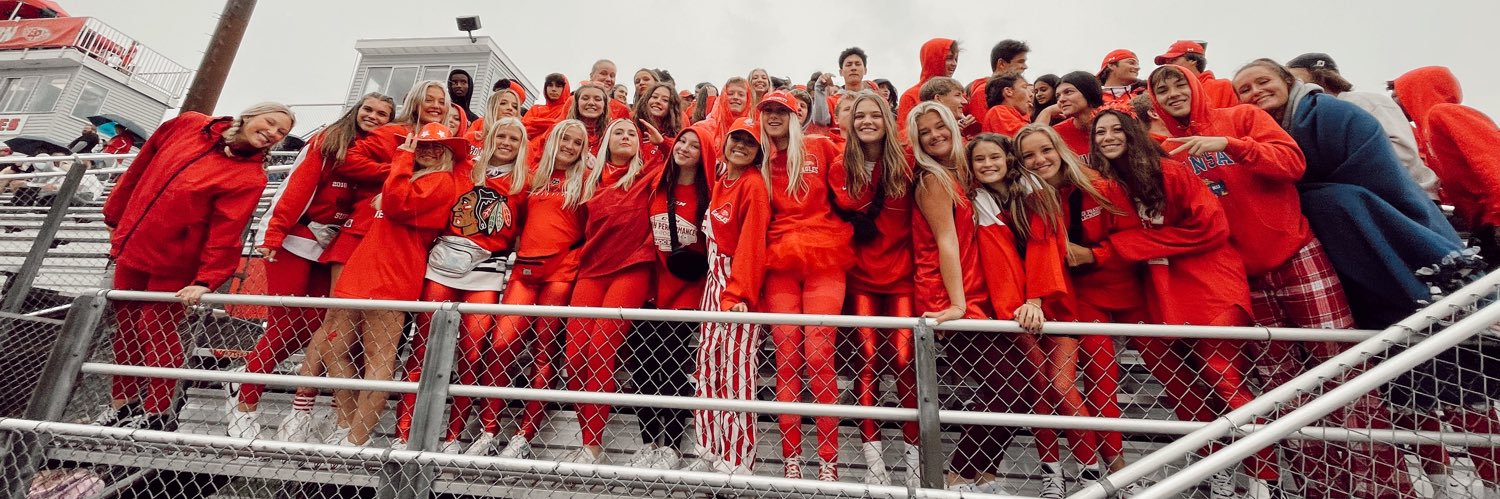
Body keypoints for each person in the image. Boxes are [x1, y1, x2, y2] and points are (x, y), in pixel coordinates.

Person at [1148, 63, 1348, 497]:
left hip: (1296, 255)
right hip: (1241, 277)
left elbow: (1294, 163)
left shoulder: (1241, 118)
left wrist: (1231, 145)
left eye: (1178, 82)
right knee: (1281, 389)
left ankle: (1378, 486)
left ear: (1195, 85)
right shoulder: (1164, 147)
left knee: (1343, 373)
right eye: (1161, 90)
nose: (1172, 93)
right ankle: (1316, 486)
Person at [1084, 108, 1272, 497]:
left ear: (1133, 133)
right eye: (1099, 132)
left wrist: (1128, 246)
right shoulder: (1106, 184)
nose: (1107, 137)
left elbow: (1212, 227)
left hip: (1207, 282)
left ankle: (1263, 480)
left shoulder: (1169, 171)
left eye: (1116, 129)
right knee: (1179, 385)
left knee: (1224, 376)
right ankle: (1214, 464)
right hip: (1158, 288)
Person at [99, 102, 295, 431]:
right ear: (249, 115)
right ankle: (122, 403)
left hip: (176, 260)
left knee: (156, 327)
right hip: (134, 246)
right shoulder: (189, 125)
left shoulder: (249, 176)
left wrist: (206, 280)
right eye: (271, 122)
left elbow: (227, 231)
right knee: (127, 327)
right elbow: (142, 164)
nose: (273, 133)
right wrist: (114, 213)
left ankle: (158, 411)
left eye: (282, 132)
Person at [1233, 59, 1472, 326]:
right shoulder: (1269, 130)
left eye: (1263, 82)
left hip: (1382, 209)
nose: (1255, 91)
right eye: (1244, 89)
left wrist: (1300, 193)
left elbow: (1377, 168)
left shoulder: (1329, 112)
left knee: (1332, 203)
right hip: (1344, 231)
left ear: (1288, 82)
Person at [227, 93, 394, 439]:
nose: (373, 117)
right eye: (368, 109)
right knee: (284, 325)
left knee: (316, 328)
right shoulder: (330, 139)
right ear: (356, 110)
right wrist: (274, 233)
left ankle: (251, 376)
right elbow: (298, 187)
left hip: (329, 245)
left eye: (382, 114)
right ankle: (244, 401)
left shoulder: (374, 150)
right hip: (294, 238)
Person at [390, 116, 530, 452]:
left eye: (514, 138)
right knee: (423, 348)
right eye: (501, 136)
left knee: (471, 353)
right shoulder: (464, 167)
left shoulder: (524, 182)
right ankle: (403, 432)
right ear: (490, 137)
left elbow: (521, 234)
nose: (506, 143)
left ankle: (453, 438)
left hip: (487, 269)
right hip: (443, 265)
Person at [750, 90, 850, 481]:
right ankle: (792, 456)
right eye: (767, 110)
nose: (773, 116)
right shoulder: (758, 157)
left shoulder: (821, 146)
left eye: (781, 110)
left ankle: (829, 459)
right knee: (786, 359)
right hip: (779, 261)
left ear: (795, 114)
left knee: (819, 356)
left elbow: (854, 185)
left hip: (826, 254)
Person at [476, 120, 590, 458]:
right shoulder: (532, 175)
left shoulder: (585, 181)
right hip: (524, 270)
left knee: (544, 352)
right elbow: (517, 220)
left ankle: (524, 436)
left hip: (560, 273)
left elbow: (592, 229)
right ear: (554, 139)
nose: (570, 145)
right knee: (501, 344)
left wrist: (571, 259)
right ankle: (488, 430)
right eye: (565, 138)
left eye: (577, 141)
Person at [1014, 125, 1115, 495]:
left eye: (1045, 151)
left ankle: (1089, 470)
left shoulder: (1090, 186)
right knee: (1040, 388)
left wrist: (1038, 298)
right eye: (1028, 155)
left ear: (1059, 149)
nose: (1039, 160)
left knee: (1062, 384)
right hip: (1025, 305)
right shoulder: (1024, 197)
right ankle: (1051, 473)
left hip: (1064, 302)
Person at [904, 101, 998, 491]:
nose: (934, 135)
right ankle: (959, 475)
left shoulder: (964, 171)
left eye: (938, 126)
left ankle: (982, 478)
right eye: (924, 132)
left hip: (974, 290)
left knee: (1010, 387)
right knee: (1012, 385)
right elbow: (946, 241)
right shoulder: (932, 179)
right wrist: (957, 304)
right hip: (949, 296)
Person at [561, 118, 665, 464]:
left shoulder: (649, 171)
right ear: (606, 140)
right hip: (591, 269)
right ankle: (585, 434)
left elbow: (684, 158)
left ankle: (592, 444)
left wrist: (661, 141)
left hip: (631, 268)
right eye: (618, 132)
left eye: (631, 134)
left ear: (640, 143)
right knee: (575, 359)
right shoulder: (589, 177)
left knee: (600, 352)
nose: (624, 137)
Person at [965, 132, 1061, 496]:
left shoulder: (1035, 191)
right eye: (979, 160)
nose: (988, 165)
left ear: (1008, 159)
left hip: (1045, 301)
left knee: (1037, 388)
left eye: (994, 157)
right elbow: (998, 260)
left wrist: (1034, 300)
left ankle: (974, 477)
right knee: (1020, 387)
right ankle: (971, 477)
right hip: (1010, 308)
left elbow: (1043, 247)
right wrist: (1016, 307)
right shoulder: (980, 201)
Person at [826, 90, 915, 485]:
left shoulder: (908, 164)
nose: (866, 121)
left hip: (902, 278)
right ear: (848, 122)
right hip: (861, 276)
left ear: (887, 119)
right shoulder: (839, 166)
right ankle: (875, 465)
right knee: (868, 362)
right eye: (858, 115)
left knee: (905, 363)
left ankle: (914, 463)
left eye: (874, 115)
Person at [679, 117, 769, 475]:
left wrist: (739, 294)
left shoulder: (753, 186)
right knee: (708, 370)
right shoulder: (722, 180)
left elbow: (751, 245)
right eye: (737, 139)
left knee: (736, 376)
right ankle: (709, 449)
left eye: (750, 142)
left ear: (759, 150)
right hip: (712, 286)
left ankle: (737, 460)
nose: (741, 146)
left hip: (735, 287)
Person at [630, 124, 714, 470]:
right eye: (682, 141)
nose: (685, 149)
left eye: (694, 146)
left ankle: (673, 447)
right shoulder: (656, 183)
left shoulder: (710, 192)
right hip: (651, 286)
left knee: (674, 369)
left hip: (686, 291)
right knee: (642, 367)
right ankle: (649, 443)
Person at [1285, 53, 1438, 200]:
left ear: (1318, 73)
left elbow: (1402, 153)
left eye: (1293, 76)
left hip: (1408, 197)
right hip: (1360, 198)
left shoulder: (1366, 101)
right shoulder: (1307, 119)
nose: (1288, 83)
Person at [1393, 66, 1500, 264]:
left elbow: (1493, 162)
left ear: (1416, 92)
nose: (1392, 101)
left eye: (1397, 93)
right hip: (1482, 226)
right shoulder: (1425, 131)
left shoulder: (1444, 113)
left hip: (1494, 221)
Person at [1037, 71, 1105, 157]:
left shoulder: (1114, 122)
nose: (1061, 99)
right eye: (1058, 96)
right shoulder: (1057, 133)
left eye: (1068, 92)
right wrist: (1046, 111)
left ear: (1088, 92)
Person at [1152, 40, 1237, 109]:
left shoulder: (1222, 86)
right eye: (1166, 63)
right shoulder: (1163, 95)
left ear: (1193, 60)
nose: (1168, 66)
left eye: (1173, 60)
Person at [897, 38, 960, 130]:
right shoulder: (910, 96)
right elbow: (904, 134)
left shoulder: (958, 94)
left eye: (956, 59)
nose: (954, 64)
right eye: (949, 58)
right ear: (933, 59)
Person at [966, 39, 1030, 120]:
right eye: (1020, 62)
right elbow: (985, 130)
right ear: (1002, 64)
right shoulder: (983, 92)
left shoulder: (1018, 92)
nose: (1025, 67)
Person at [633, 82, 684, 166]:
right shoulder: (632, 127)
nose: (658, 101)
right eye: (654, 97)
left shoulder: (675, 138)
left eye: (665, 100)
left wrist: (662, 143)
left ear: (672, 107)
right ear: (646, 100)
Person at [982, 71, 1033, 137]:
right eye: (1024, 87)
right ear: (1008, 91)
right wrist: (1046, 112)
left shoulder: (1012, 114)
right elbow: (1030, 138)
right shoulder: (997, 111)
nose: (1031, 94)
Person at [567, 82, 613, 155]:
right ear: (577, 104)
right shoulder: (562, 132)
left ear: (604, 106)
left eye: (597, 99)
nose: (591, 103)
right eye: (585, 98)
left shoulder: (612, 134)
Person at [523, 73, 572, 139]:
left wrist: (535, 122)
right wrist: (550, 123)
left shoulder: (568, 110)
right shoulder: (535, 108)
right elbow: (523, 129)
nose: (553, 89)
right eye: (550, 85)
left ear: (565, 88)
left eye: (558, 86)